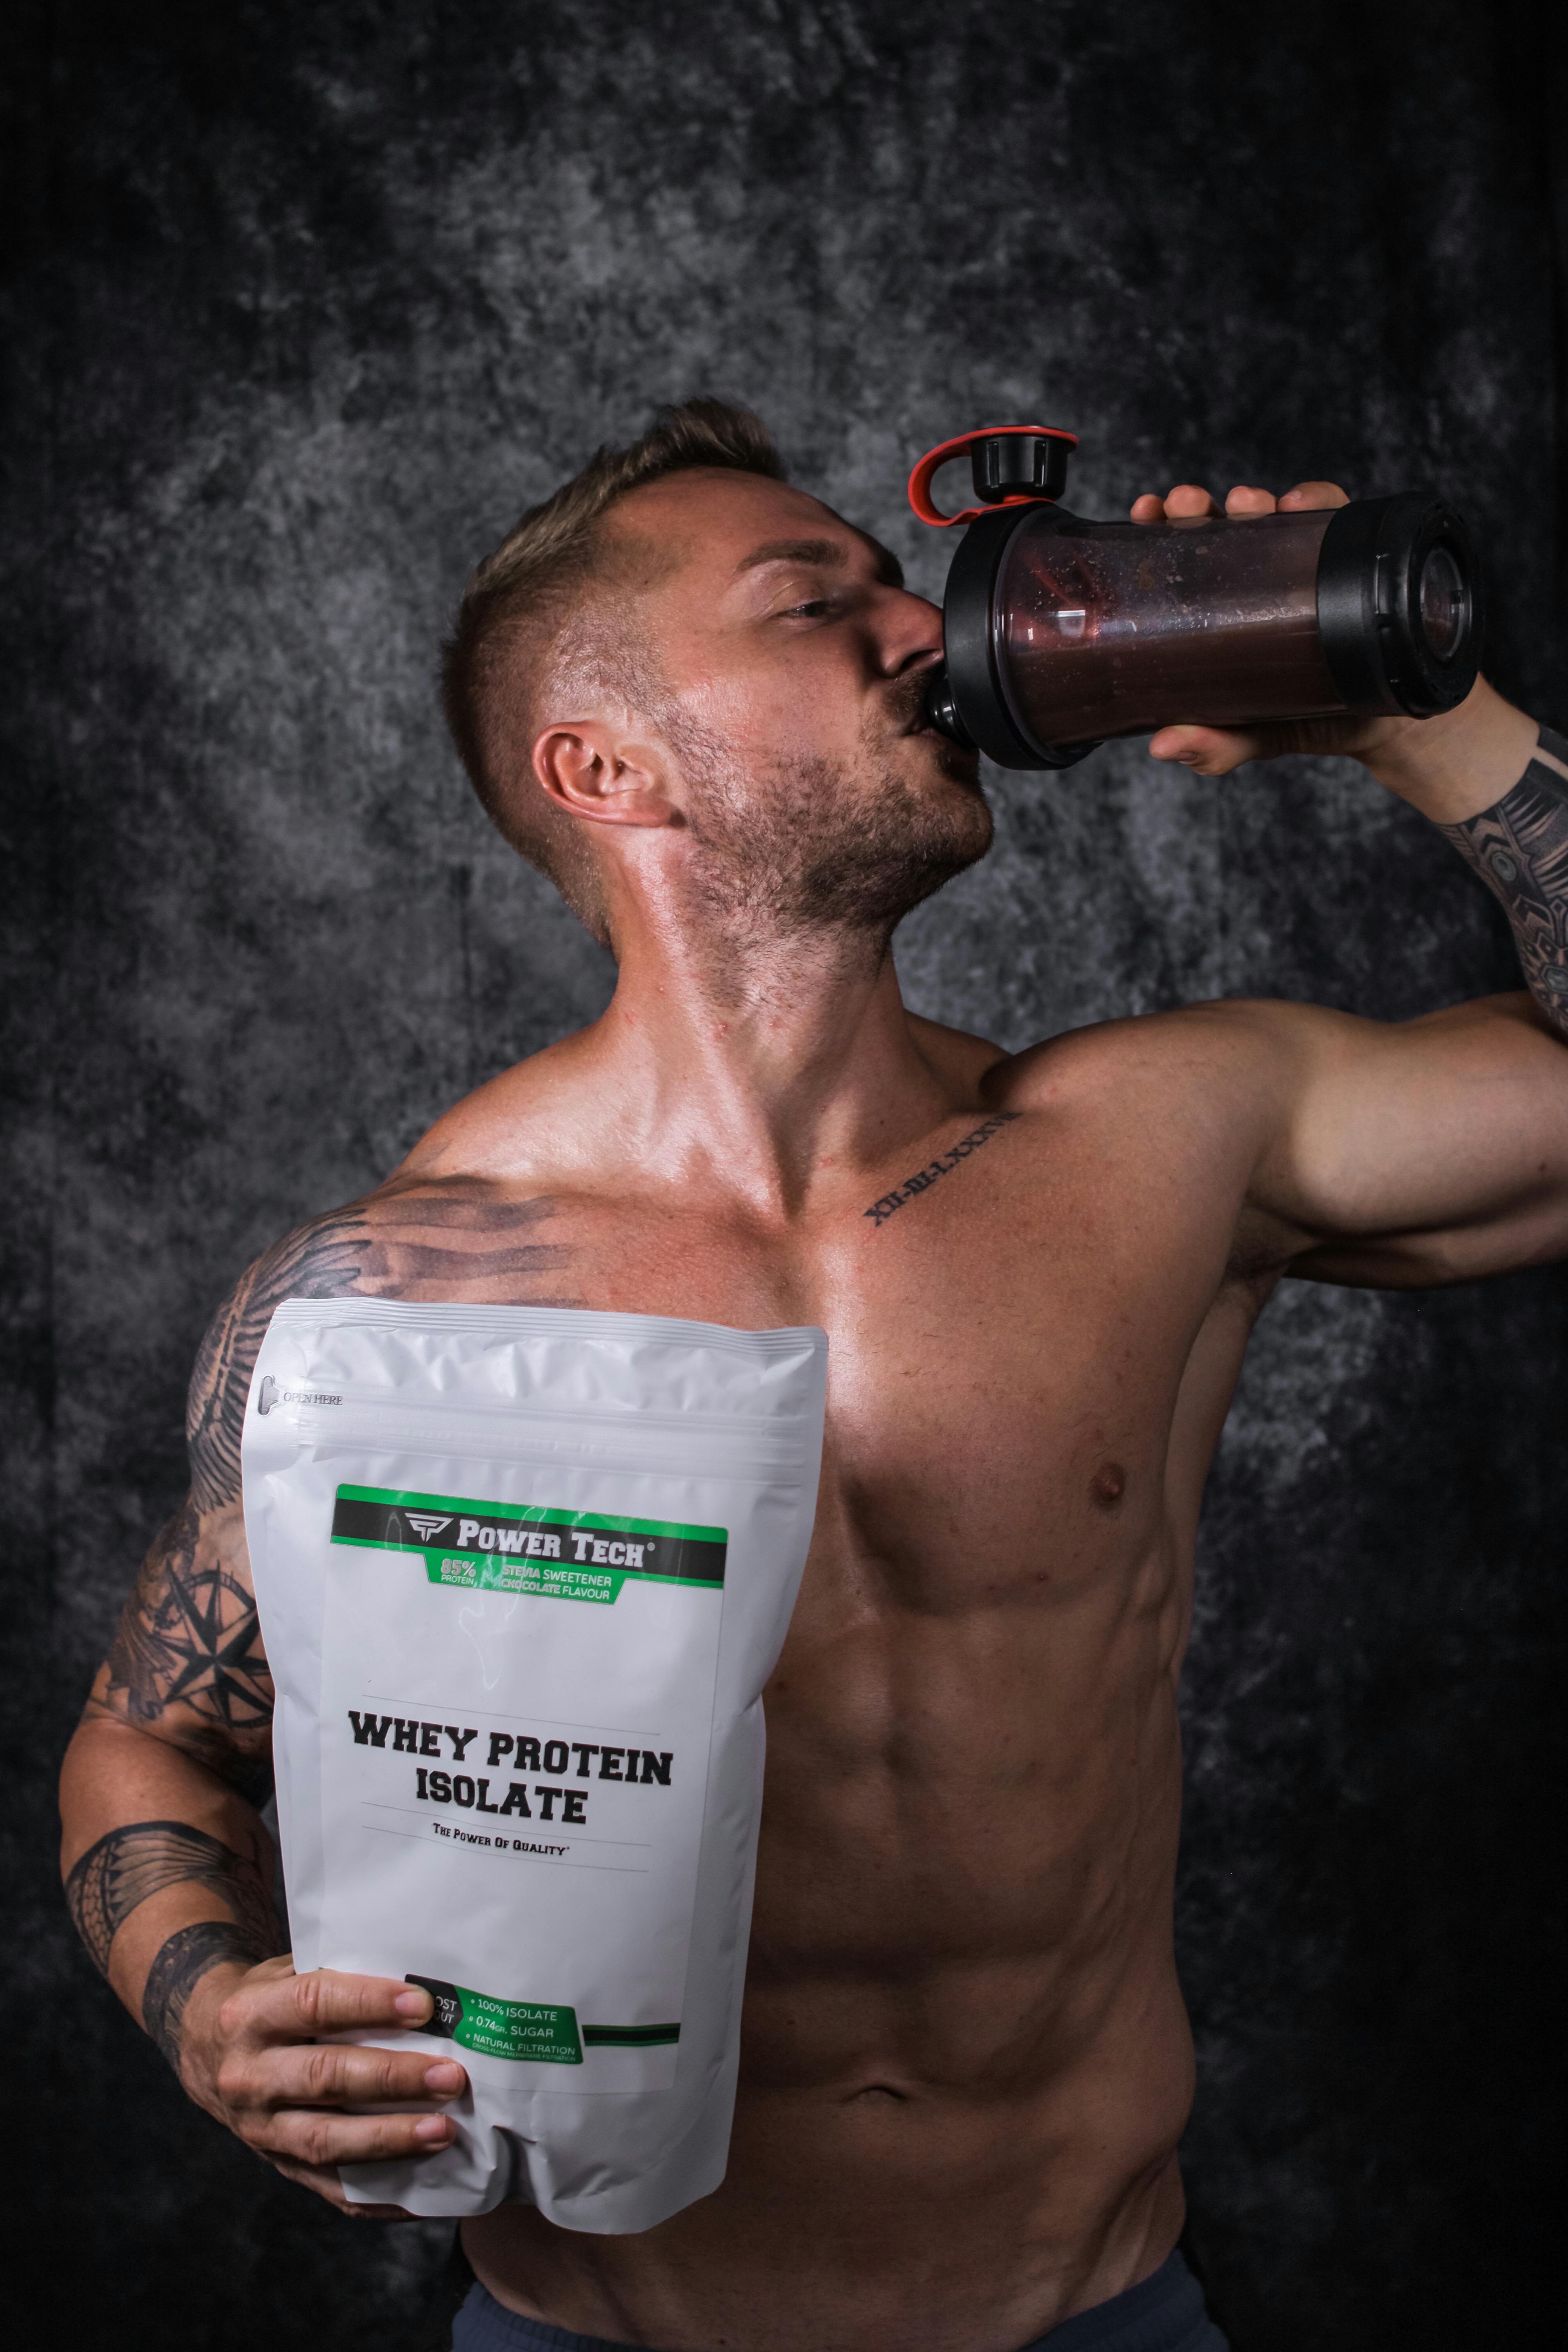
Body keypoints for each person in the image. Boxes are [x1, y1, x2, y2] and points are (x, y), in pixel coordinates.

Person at [59, 399, 1568, 2352]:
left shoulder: (1161, 1142)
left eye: (896, 578)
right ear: (606, 766)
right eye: (813, 601)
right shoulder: (394, 1290)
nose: (925, 628)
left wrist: (1400, 710)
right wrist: (203, 2007)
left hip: (1094, 2312)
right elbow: (151, 1739)